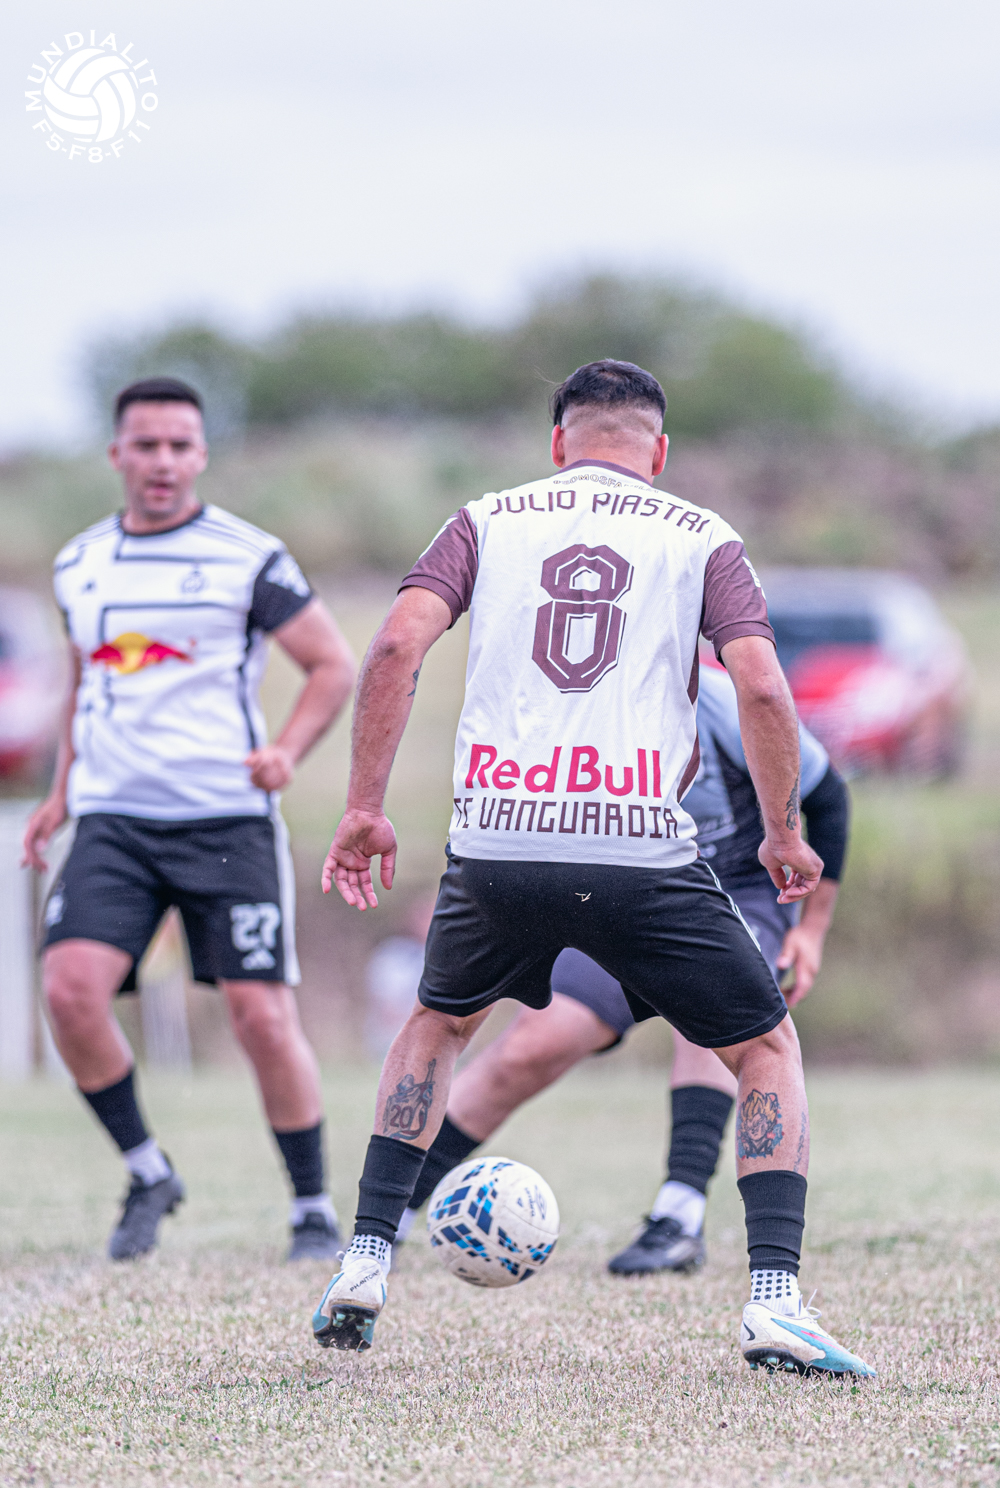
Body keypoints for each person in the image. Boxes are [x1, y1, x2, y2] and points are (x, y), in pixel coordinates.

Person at [313, 359, 874, 1378]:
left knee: (438, 1025)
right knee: (764, 1047)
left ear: (557, 443)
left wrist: (362, 809)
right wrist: (781, 830)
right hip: (638, 846)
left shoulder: (485, 519)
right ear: (658, 452)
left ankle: (363, 1256)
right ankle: (775, 1301)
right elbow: (760, 686)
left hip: (498, 841)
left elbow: (394, 646)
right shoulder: (700, 534)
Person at [22, 377, 356, 1263]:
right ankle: (147, 1169)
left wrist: (286, 750)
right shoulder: (80, 563)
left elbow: (332, 664)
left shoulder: (249, 556)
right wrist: (60, 792)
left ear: (201, 454)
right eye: (147, 445)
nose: (163, 461)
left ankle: (312, 1210)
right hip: (114, 819)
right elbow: (85, 683)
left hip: (225, 822)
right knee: (69, 991)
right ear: (117, 455)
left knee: (260, 1016)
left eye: (179, 445)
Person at [394, 661, 849, 1277]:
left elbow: (828, 798)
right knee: (534, 1044)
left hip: (738, 889)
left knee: (713, 1023)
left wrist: (811, 932)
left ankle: (678, 1217)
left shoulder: (721, 701)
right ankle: (397, 1209)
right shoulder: (576, 706)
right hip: (632, 892)